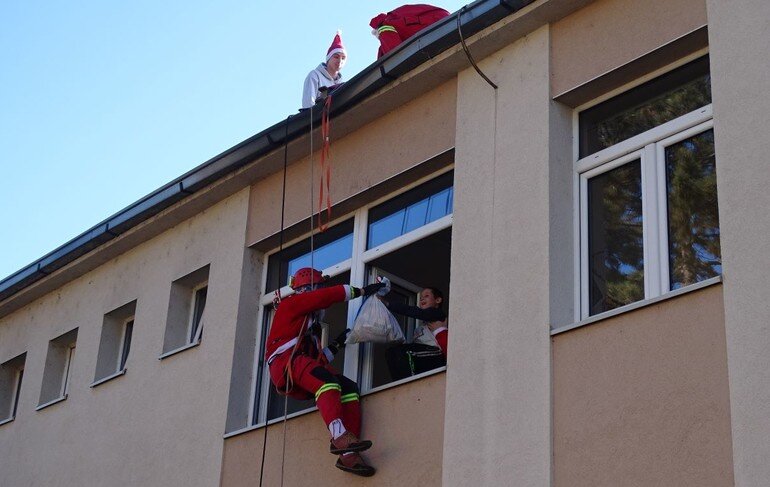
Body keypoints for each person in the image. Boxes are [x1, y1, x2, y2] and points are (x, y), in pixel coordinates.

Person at [264, 267, 385, 477]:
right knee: (327, 382)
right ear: (307, 289)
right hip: (285, 364)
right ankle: (339, 436)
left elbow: (317, 360)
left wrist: (337, 344)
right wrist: (362, 290)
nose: (319, 291)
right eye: (317, 287)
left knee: (348, 387)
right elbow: (326, 297)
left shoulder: (309, 327)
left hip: (297, 366)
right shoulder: (291, 304)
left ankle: (348, 453)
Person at [381, 287, 448, 381]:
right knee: (391, 352)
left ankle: (408, 383)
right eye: (421, 298)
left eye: (426, 296)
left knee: (405, 352)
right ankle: (398, 384)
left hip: (437, 356)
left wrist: (388, 304)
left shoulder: (438, 315)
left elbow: (414, 311)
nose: (422, 299)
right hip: (425, 356)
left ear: (438, 300)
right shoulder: (419, 328)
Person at [370, 4, 450, 58]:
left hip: (437, 22)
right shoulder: (393, 18)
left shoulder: (384, 26)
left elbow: (395, 54)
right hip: (447, 19)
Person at [301, 31, 346, 109]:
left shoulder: (342, 84)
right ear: (328, 59)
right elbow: (308, 106)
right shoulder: (315, 75)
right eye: (336, 57)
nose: (340, 61)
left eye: (343, 58)